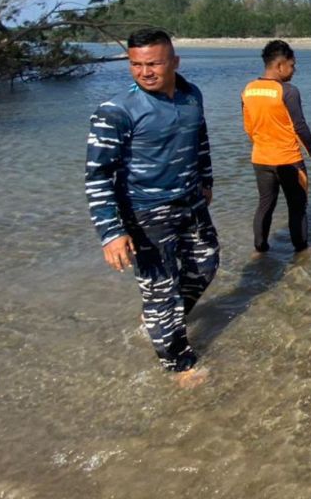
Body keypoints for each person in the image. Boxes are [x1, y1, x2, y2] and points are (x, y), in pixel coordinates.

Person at [85, 28, 219, 384]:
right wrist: (111, 232)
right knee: (160, 288)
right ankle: (180, 365)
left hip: (190, 202)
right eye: (136, 64)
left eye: (154, 64)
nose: (145, 72)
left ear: (174, 61)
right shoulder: (116, 111)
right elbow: (97, 175)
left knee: (206, 264)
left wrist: (206, 180)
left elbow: (199, 138)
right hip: (145, 212)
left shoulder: (191, 96)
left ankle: (160, 321)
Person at [241, 40, 311, 253]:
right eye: (292, 65)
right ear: (279, 66)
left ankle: (260, 249)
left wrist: (262, 145)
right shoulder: (288, 91)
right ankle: (301, 251)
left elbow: (248, 128)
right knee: (297, 207)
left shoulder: (248, 90)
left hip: (260, 159)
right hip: (289, 161)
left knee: (265, 204)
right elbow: (300, 126)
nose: (294, 70)